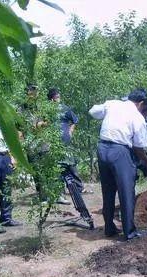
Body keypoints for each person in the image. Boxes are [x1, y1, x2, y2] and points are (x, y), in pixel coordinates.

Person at [89, 89, 147, 240]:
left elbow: (93, 111)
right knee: (126, 192)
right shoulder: (137, 117)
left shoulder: (112, 104)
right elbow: (139, 147)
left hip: (102, 149)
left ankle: (109, 228)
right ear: (140, 103)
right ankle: (130, 232)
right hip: (120, 151)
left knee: (108, 190)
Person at [47, 88, 94, 229]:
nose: (58, 98)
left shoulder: (65, 109)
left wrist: (70, 131)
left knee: (71, 168)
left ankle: (78, 190)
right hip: (53, 146)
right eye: (56, 96)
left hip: (65, 146)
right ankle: (57, 194)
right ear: (51, 98)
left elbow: (75, 120)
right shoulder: (46, 110)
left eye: (59, 96)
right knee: (56, 171)